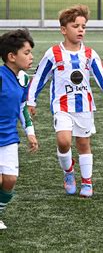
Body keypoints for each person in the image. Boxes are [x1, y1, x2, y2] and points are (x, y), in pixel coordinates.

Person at [27, 4, 103, 198]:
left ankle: (87, 182)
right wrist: (31, 100)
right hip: (62, 107)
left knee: (83, 144)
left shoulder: (89, 54)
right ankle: (69, 173)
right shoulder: (53, 53)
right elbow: (39, 77)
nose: (81, 29)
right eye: (76, 26)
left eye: (84, 26)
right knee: (63, 142)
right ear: (64, 30)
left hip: (84, 108)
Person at [0, 28, 38, 230]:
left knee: (10, 180)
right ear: (11, 57)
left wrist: (30, 133)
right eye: (26, 53)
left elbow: (22, 109)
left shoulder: (24, 80)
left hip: (9, 137)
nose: (31, 57)